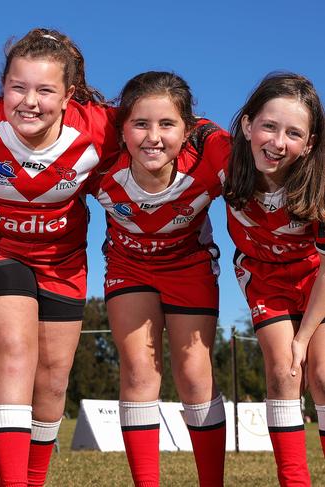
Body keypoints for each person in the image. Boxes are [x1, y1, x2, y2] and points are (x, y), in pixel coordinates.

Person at [0, 28, 120, 486]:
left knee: (53, 379)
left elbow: (173, 121)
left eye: (45, 90)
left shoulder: (101, 126)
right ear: (3, 86)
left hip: (62, 260)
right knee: (15, 355)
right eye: (18, 87)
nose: (29, 101)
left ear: (69, 95)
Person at [90, 71, 231, 487]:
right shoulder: (99, 165)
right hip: (128, 265)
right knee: (137, 370)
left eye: (167, 124)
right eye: (140, 124)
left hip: (188, 266)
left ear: (187, 130)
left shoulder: (212, 160)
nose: (153, 137)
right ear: (122, 129)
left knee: (193, 372)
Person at [224, 72, 325, 487]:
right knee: (284, 371)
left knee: (322, 374)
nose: (277, 142)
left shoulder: (320, 182)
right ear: (248, 125)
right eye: (269, 126)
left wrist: (303, 338)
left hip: (317, 278)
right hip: (264, 278)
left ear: (310, 144)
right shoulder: (223, 160)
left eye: (294, 133)